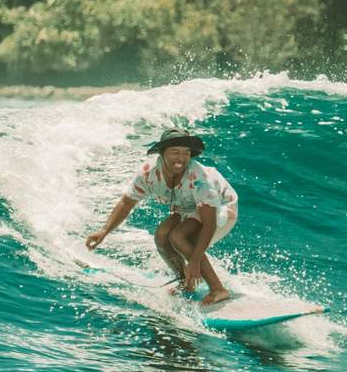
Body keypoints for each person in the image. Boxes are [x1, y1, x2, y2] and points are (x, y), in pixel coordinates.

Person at [85, 128, 239, 306]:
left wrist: (195, 260)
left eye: (186, 153)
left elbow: (209, 224)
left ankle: (218, 289)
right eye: (175, 152)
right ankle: (185, 282)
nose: (181, 158)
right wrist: (104, 231)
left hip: (221, 210)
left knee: (178, 237)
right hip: (186, 207)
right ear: (162, 153)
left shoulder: (199, 179)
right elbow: (127, 203)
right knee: (161, 235)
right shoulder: (148, 174)